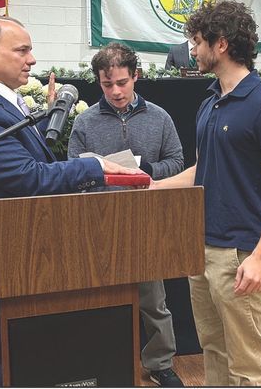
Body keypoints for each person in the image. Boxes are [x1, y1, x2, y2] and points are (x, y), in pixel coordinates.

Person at [0, 16, 140, 387]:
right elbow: (28, 178)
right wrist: (92, 166)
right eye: (21, 50)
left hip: (25, 256)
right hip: (1, 258)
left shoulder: (5, 103)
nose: (32, 59)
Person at [151, 0, 261, 386]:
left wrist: (260, 256)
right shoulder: (209, 103)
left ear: (221, 44)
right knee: (213, 351)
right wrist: (152, 186)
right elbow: (203, 170)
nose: (193, 50)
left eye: (198, 41)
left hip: (242, 255)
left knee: (248, 365)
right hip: (202, 250)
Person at [67, 42, 185, 387]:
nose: (116, 91)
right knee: (103, 299)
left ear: (136, 76)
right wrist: (102, 174)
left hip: (147, 221)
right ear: (98, 83)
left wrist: (145, 168)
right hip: (101, 223)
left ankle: (160, 363)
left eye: (122, 82)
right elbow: (72, 167)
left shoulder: (159, 117)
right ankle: (105, 362)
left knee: (154, 301)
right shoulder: (85, 122)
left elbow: (178, 162)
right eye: (107, 85)